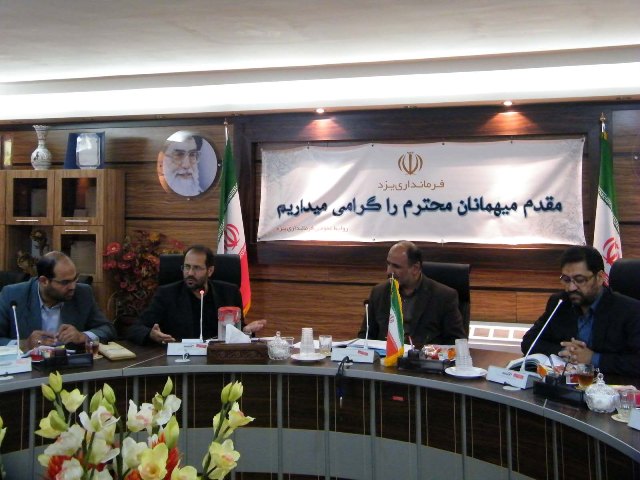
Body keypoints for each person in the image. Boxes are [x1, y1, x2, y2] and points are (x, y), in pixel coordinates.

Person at [521, 245, 640, 376]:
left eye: (579, 280)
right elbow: (529, 341)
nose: (571, 287)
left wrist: (593, 358)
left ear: (600, 277)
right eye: (566, 280)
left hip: (610, 385)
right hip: (566, 383)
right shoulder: (559, 303)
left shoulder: (630, 310)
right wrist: (567, 351)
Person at [127, 245, 266, 345]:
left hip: (218, 359)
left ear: (210, 271)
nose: (190, 273)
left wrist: (246, 331)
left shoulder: (229, 293)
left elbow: (237, 331)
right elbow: (135, 328)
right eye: (187, 267)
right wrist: (151, 334)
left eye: (197, 268)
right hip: (181, 362)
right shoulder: (167, 294)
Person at [358, 241, 466, 347]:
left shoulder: (443, 296)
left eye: (396, 266)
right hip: (385, 357)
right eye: (388, 264)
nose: (389, 271)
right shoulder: (379, 292)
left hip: (423, 357)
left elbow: (456, 342)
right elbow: (365, 336)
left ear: (415, 268)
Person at [0, 251, 116, 349]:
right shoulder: (12, 295)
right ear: (44, 281)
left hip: (70, 364)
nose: (73, 287)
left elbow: (107, 329)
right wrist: (25, 344)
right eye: (65, 282)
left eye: (75, 279)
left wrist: (83, 336)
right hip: (29, 365)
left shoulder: (83, 293)